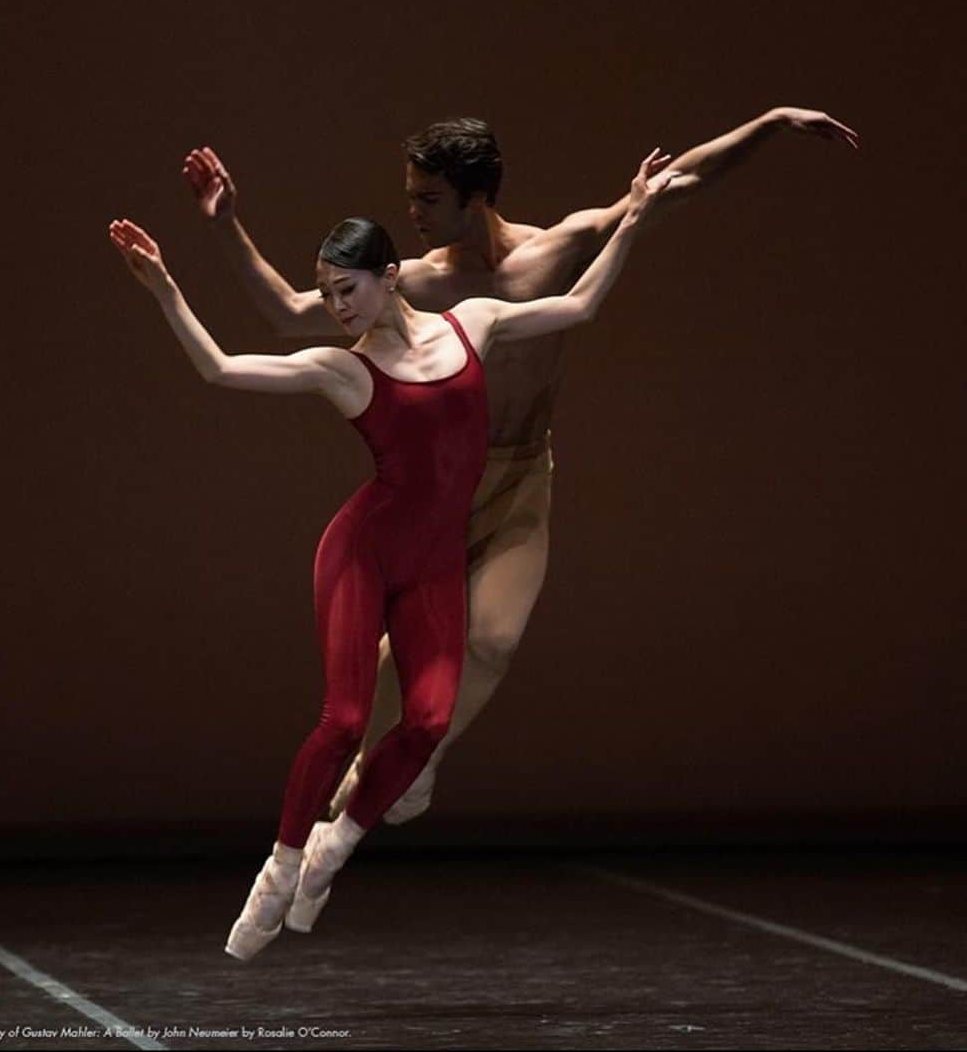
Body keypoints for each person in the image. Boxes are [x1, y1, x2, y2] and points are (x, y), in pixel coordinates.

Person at [182, 108, 859, 826]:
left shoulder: (554, 251)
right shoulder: (410, 282)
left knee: (495, 636)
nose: (411, 213)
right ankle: (370, 768)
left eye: (428, 199)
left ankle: (419, 760)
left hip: (521, 475)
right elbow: (288, 312)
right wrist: (225, 223)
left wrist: (772, 123)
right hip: (439, 485)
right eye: (410, 197)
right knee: (402, 652)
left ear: (476, 199)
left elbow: (673, 183)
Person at [110, 149, 675, 959]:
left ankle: (338, 842)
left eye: (348, 289)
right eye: (329, 293)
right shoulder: (346, 370)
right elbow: (221, 367)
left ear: (391, 275)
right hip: (364, 552)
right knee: (343, 720)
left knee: (429, 721)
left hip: (435, 562)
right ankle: (278, 871)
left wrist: (636, 217)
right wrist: (166, 286)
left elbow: (581, 305)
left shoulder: (472, 323)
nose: (336, 308)